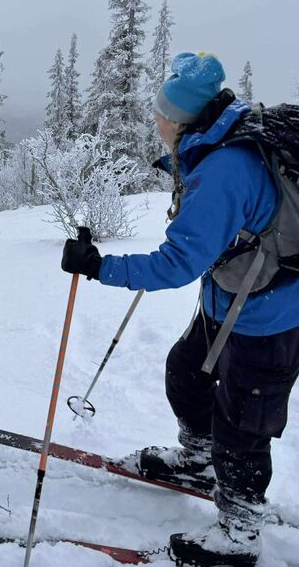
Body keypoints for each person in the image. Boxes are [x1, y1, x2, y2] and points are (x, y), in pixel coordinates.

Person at [61, 52, 299, 567]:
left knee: (243, 426)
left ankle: (239, 533)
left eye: (161, 116)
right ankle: (199, 460)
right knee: (187, 373)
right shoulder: (215, 140)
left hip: (270, 316)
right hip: (231, 299)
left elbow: (176, 265)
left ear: (183, 119)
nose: (156, 123)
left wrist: (99, 266)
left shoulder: (225, 169)